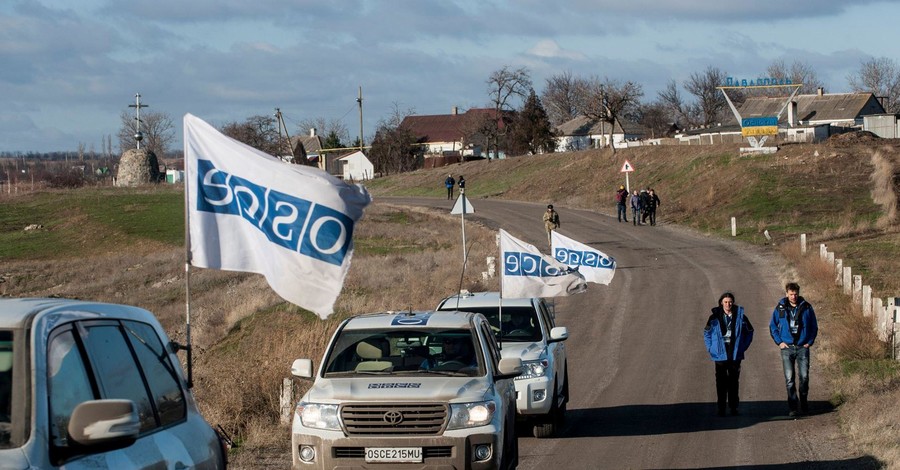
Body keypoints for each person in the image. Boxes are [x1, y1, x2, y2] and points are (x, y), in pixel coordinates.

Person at [769, 282, 818, 417]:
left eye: (796, 294)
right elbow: (773, 326)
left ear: (798, 293)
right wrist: (779, 342)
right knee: (789, 379)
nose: (794, 296)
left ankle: (804, 401)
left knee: (804, 377)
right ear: (786, 294)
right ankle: (793, 407)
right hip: (787, 348)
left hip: (803, 347)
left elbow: (814, 326)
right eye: (791, 294)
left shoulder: (807, 307)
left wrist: (809, 342)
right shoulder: (780, 308)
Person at [704, 292, 754, 416]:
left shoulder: (741, 317)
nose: (728, 304)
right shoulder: (714, 317)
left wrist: (743, 346)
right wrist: (711, 348)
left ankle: (733, 407)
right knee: (720, 383)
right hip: (720, 355)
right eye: (725, 302)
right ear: (721, 303)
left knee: (733, 382)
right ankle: (721, 408)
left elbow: (750, 331)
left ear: (733, 302)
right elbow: (707, 333)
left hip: (734, 354)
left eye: (730, 302)